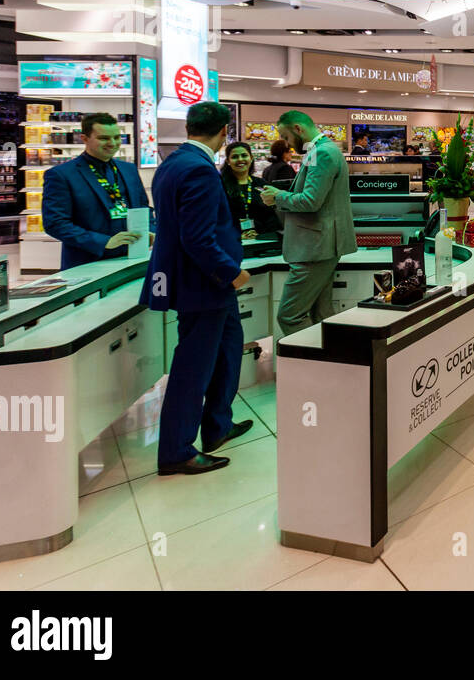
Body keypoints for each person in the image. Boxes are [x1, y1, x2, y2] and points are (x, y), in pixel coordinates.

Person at [141, 102, 252, 476]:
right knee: (193, 368)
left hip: (202, 285)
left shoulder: (173, 163)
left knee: (228, 351)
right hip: (205, 285)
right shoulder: (200, 171)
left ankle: (218, 425)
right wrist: (230, 272)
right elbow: (198, 238)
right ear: (224, 132)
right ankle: (176, 450)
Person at [260, 110, 358, 335]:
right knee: (321, 314)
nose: (286, 143)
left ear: (298, 129)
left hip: (315, 248)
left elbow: (311, 200)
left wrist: (278, 197)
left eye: (285, 137)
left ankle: (316, 364)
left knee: (290, 316)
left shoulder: (322, 153)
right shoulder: (318, 151)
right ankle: (329, 364)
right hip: (320, 245)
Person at [43, 112, 154, 270]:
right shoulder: (61, 175)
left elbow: (144, 208)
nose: (112, 143)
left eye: (116, 137)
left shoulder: (128, 170)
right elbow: (55, 224)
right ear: (84, 139)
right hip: (88, 264)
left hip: (132, 258)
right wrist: (104, 242)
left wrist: (152, 231)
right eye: (104, 138)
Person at [221, 141, 281, 240]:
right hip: (231, 241)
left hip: (261, 241)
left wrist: (260, 234)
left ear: (251, 158)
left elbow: (270, 216)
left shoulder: (262, 184)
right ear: (228, 161)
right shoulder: (220, 186)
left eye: (244, 155)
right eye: (235, 157)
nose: (240, 159)